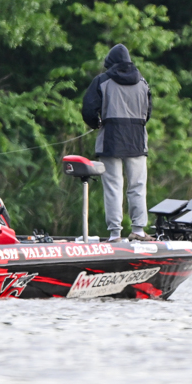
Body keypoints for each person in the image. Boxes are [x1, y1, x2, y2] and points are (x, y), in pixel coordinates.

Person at [81, 44, 153, 242]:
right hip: (137, 140)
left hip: (110, 140)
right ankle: (138, 230)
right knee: (138, 186)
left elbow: (88, 109)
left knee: (113, 186)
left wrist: (96, 124)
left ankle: (115, 233)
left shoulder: (102, 81)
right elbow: (148, 113)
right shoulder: (143, 83)